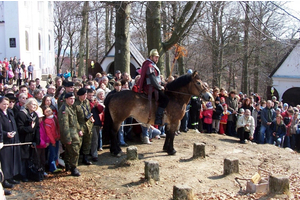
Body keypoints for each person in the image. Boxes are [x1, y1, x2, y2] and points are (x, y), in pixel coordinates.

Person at [138, 49, 169, 125]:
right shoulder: (149, 65)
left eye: (158, 57)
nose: (157, 59)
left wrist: (164, 84)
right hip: (150, 88)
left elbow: (157, 79)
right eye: (155, 57)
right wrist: (160, 87)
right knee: (165, 99)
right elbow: (152, 80)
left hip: (154, 86)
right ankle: (158, 118)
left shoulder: (152, 65)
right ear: (151, 57)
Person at [0, 97, 21, 194]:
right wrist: (5, 134)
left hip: (12, 139)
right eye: (3, 104)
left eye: (7, 104)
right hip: (4, 141)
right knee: (4, 161)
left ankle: (10, 176)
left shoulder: (9, 112)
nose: (5, 106)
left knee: (11, 159)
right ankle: (4, 180)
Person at [16, 98, 40, 182]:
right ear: (28, 104)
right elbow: (20, 128)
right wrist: (30, 128)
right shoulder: (21, 114)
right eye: (32, 104)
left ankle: (30, 174)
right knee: (23, 159)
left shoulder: (35, 115)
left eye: (35, 105)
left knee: (30, 158)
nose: (34, 106)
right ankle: (23, 175)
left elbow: (37, 129)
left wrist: (36, 141)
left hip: (31, 140)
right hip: (23, 140)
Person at [58, 92, 82, 176]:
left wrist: (79, 130)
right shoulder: (64, 109)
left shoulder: (71, 107)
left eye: (73, 99)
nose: (72, 100)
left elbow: (75, 120)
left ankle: (69, 165)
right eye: (70, 99)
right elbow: (64, 125)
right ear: (66, 99)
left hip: (75, 132)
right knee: (74, 151)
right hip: (70, 135)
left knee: (70, 151)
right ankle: (73, 168)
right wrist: (67, 138)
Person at [74, 88, 94, 165]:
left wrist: (91, 117)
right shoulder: (75, 104)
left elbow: (89, 111)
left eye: (86, 94)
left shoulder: (86, 102)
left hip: (88, 124)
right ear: (79, 95)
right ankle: (76, 160)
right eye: (84, 95)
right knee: (78, 144)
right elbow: (74, 118)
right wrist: (78, 129)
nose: (85, 96)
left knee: (87, 142)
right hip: (80, 125)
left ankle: (85, 158)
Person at [41, 106, 62, 173]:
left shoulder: (54, 117)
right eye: (47, 111)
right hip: (51, 140)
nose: (49, 112)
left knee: (56, 153)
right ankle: (52, 167)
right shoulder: (46, 121)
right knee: (52, 154)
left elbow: (58, 128)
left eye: (49, 110)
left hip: (57, 138)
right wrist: (52, 141)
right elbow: (49, 133)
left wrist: (59, 135)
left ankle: (56, 165)